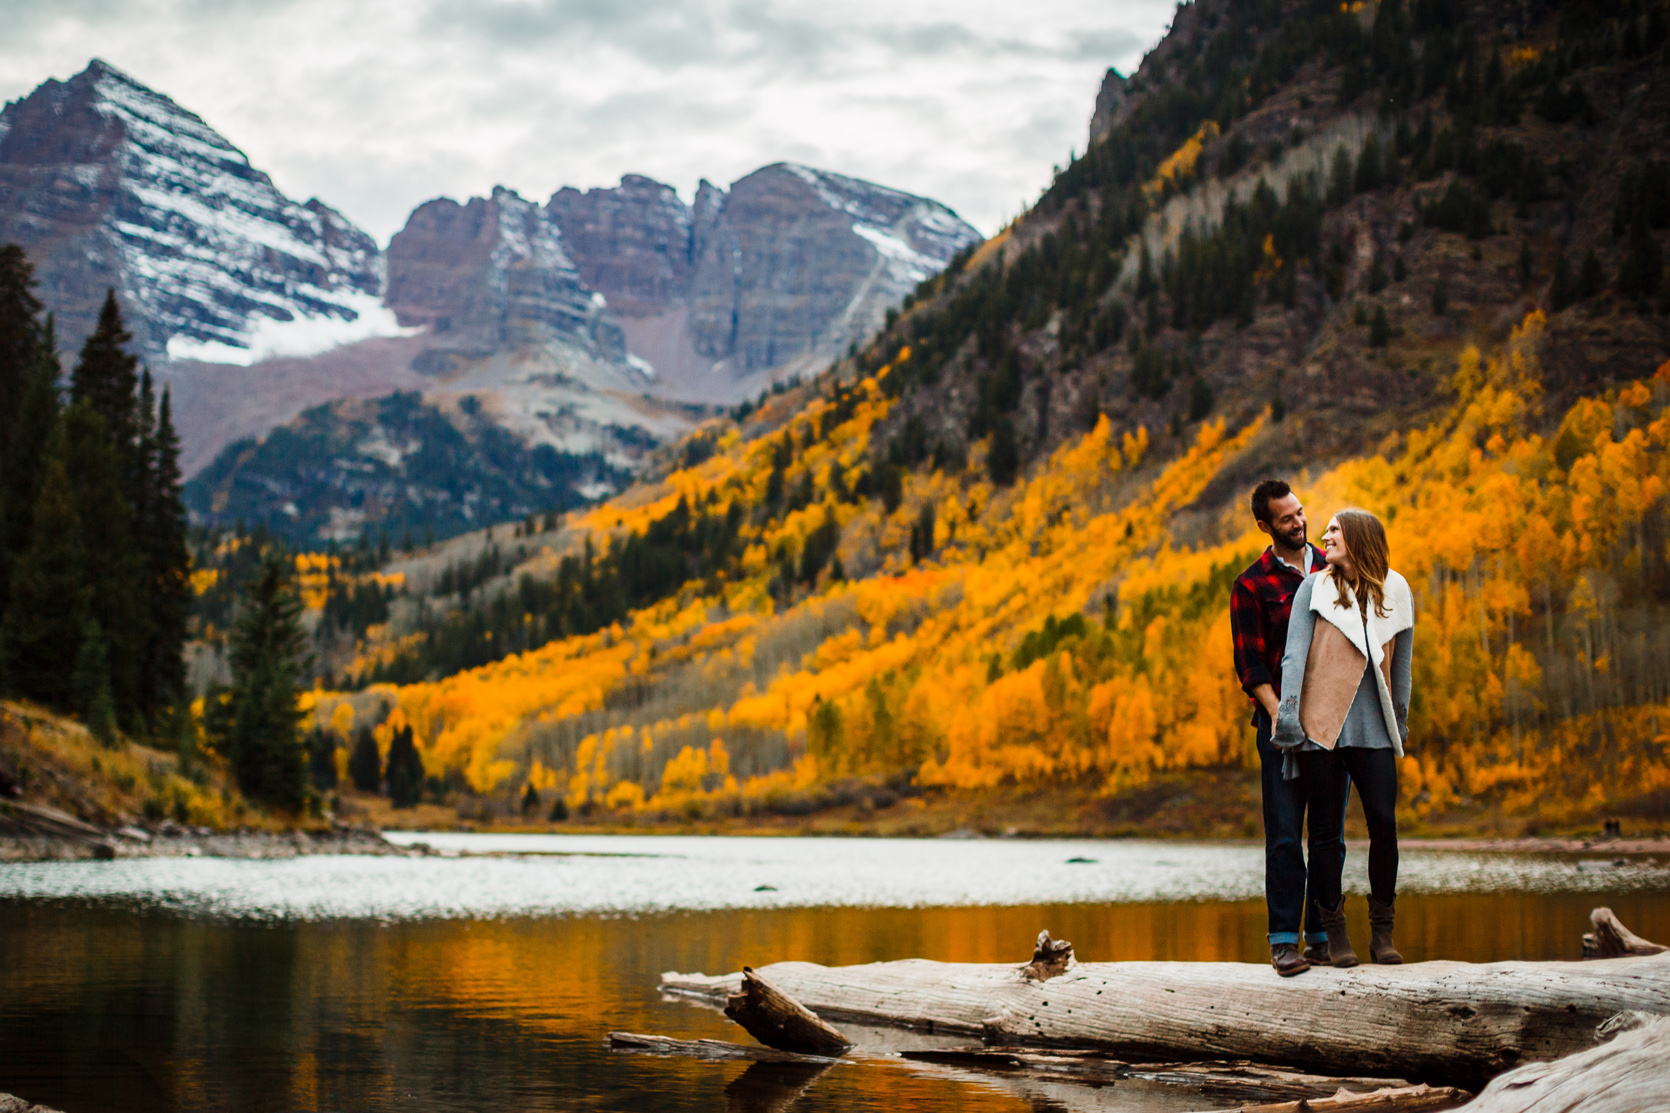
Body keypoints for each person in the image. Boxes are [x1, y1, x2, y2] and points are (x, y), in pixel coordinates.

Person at [1273, 508, 1413, 967]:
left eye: (1334, 530)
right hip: (1321, 727)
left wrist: (1402, 720)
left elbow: (1404, 664)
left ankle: (1382, 933)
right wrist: (1288, 719)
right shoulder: (1313, 587)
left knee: (1384, 826)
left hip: (1375, 727)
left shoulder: (1396, 590)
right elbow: (1293, 657)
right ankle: (1334, 936)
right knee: (1327, 834)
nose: (1325, 536)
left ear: (1358, 538)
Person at [1230, 480, 1332, 977]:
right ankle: (1283, 941)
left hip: (1334, 726)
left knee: (1328, 834)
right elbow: (1251, 668)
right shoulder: (1251, 585)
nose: (1299, 521)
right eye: (1287, 517)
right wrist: (1279, 715)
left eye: (1300, 512)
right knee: (1286, 834)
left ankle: (1323, 937)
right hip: (1280, 728)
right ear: (1265, 525)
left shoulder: (1335, 570)